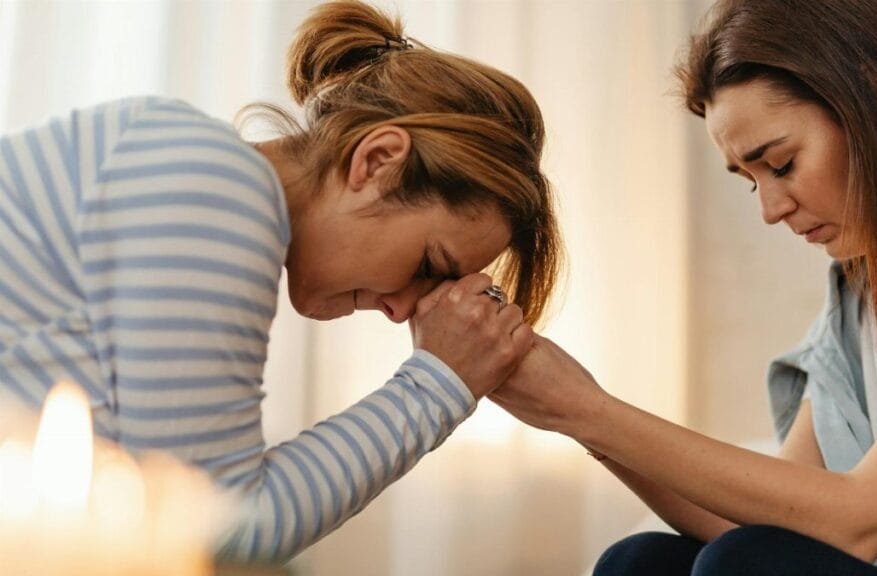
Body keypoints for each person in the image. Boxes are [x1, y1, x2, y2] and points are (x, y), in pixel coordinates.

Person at [0, 0, 560, 562]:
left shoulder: (186, 161)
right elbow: (216, 535)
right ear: (378, 162)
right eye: (428, 268)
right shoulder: (217, 189)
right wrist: (440, 383)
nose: (401, 312)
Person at [489, 0, 877, 574]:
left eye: (782, 163)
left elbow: (860, 518)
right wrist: (576, 418)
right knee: (641, 561)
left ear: (875, 96)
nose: (771, 210)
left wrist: (587, 409)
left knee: (745, 563)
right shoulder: (861, 293)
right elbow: (775, 517)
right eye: (751, 182)